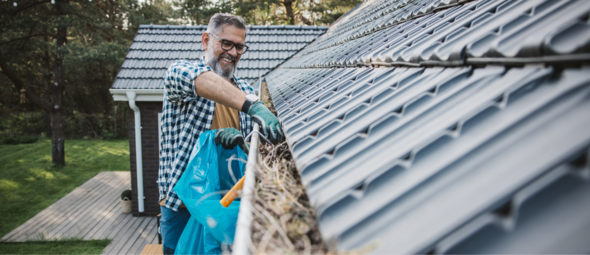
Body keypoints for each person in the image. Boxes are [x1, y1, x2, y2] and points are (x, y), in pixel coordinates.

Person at [157, 13, 283, 255]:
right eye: (226, 43)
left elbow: (248, 151)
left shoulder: (246, 90)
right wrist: (253, 107)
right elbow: (197, 79)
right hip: (181, 204)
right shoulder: (179, 73)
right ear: (206, 40)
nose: (233, 53)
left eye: (239, 47)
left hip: (225, 206)